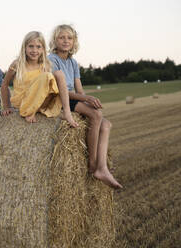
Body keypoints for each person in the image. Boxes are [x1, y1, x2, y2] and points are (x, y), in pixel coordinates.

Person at [48, 24, 123, 189]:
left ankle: (102, 167)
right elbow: (61, 91)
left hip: (72, 97)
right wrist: (85, 98)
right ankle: (92, 162)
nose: (65, 41)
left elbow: (79, 89)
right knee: (96, 116)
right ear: (55, 40)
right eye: (61, 37)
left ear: (74, 42)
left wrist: (89, 100)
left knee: (105, 123)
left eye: (69, 38)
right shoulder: (52, 59)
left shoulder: (73, 63)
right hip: (59, 99)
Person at [0, 31, 78, 127]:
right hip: (24, 102)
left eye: (38, 47)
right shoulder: (17, 64)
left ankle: (67, 112)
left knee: (59, 74)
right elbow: (4, 85)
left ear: (43, 49)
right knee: (47, 76)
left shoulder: (45, 65)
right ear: (24, 48)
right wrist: (7, 106)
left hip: (40, 102)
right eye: (31, 46)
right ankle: (30, 111)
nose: (34, 50)